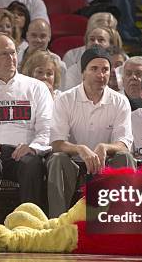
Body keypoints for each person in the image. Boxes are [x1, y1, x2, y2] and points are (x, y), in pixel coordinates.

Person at [0, 33, 53, 207]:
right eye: (4, 54)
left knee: (32, 163)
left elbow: (47, 128)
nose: (11, 58)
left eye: (13, 53)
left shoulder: (37, 88)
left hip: (24, 152)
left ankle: (30, 223)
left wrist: (33, 147)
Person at [48, 46, 134, 217]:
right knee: (57, 159)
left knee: (125, 157)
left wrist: (104, 147)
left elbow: (124, 144)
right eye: (94, 69)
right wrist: (79, 148)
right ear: (83, 72)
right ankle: (56, 224)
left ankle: (126, 221)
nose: (100, 75)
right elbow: (57, 143)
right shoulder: (65, 99)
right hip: (73, 163)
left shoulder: (120, 101)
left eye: (105, 70)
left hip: (105, 163)